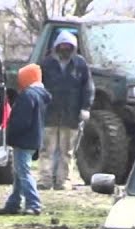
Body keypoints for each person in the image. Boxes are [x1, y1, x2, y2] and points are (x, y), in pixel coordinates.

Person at [39, 29, 93, 191]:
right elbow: (38, 86)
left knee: (67, 152)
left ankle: (63, 180)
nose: (65, 49)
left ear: (73, 47)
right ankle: (45, 180)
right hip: (49, 115)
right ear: (56, 46)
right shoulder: (46, 64)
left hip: (71, 116)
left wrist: (85, 108)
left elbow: (88, 88)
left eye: (68, 46)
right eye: (62, 45)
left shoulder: (80, 64)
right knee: (46, 150)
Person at [0, 64, 50, 216]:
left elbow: (22, 121)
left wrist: (11, 136)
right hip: (34, 139)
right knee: (19, 173)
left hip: (24, 139)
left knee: (24, 172)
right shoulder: (41, 95)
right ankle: (13, 203)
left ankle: (34, 204)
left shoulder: (28, 96)